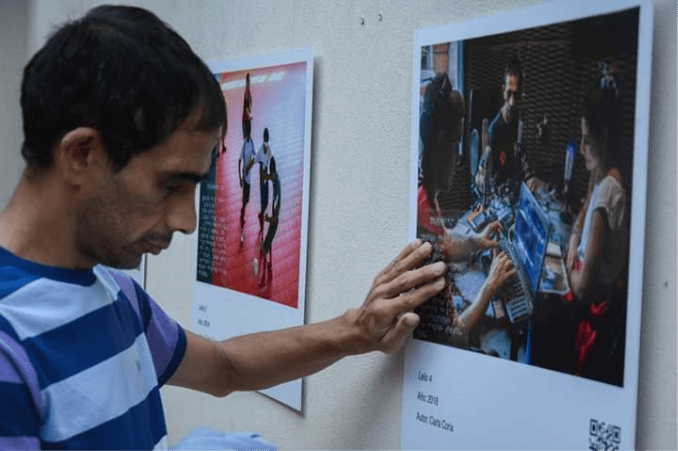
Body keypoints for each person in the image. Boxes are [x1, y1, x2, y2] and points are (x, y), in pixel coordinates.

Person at [0, 6, 446, 450]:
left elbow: (224, 366)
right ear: (82, 155)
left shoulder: (113, 293)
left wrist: (357, 329)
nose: (187, 221)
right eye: (171, 184)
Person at [417, 73, 516, 347]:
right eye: (455, 144)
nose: (459, 155)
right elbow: (452, 337)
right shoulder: (421, 222)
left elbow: (446, 242)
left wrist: (476, 240)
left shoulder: (425, 196)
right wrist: (490, 286)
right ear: (440, 144)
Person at [565, 90, 628, 384]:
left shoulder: (608, 192)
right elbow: (587, 202)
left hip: (590, 311)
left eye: (587, 141)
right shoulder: (607, 179)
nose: (580, 150)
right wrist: (576, 232)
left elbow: (581, 289)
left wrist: (569, 252)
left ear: (602, 138)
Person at [484, 57, 536, 196]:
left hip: (516, 186)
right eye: (509, 93)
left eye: (517, 94)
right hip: (501, 193)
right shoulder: (494, 130)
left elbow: (520, 150)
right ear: (503, 91)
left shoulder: (517, 117)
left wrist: (529, 176)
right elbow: (491, 176)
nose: (513, 102)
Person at [258, 156, 281, 291]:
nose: (268, 177)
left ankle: (264, 280)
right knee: (267, 246)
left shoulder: (277, 194)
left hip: (274, 222)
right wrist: (265, 176)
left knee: (264, 249)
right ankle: (269, 271)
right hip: (272, 218)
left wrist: (266, 219)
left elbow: (275, 218)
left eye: (269, 175)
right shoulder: (275, 178)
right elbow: (269, 177)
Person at [238, 127, 256, 244]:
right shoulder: (244, 144)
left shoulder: (252, 142)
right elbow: (239, 161)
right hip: (245, 177)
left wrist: (251, 163)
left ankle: (242, 212)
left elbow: (254, 156)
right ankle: (242, 215)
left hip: (249, 176)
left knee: (246, 200)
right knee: (245, 200)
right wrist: (240, 177)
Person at [256, 127, 273, 233]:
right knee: (264, 197)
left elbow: (268, 159)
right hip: (263, 174)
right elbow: (260, 160)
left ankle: (262, 213)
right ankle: (261, 214)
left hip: (264, 174)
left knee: (265, 198)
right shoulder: (263, 148)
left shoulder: (267, 148)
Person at [242, 73, 253, 141]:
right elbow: (246, 108)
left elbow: (247, 108)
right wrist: (250, 116)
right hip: (246, 120)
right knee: (247, 135)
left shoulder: (248, 93)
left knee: (247, 136)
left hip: (246, 120)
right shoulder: (247, 94)